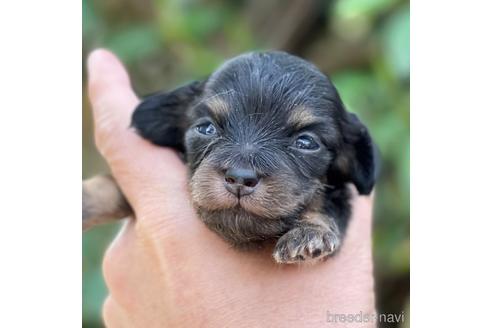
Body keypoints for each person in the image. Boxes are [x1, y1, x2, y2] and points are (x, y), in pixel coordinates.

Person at [87, 49, 376, 327]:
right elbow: (144, 179)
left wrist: (316, 224)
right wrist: (96, 198)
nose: (241, 173)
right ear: (178, 125)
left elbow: (345, 199)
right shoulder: (181, 161)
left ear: (346, 158)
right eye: (208, 128)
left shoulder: (332, 191)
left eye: (305, 143)